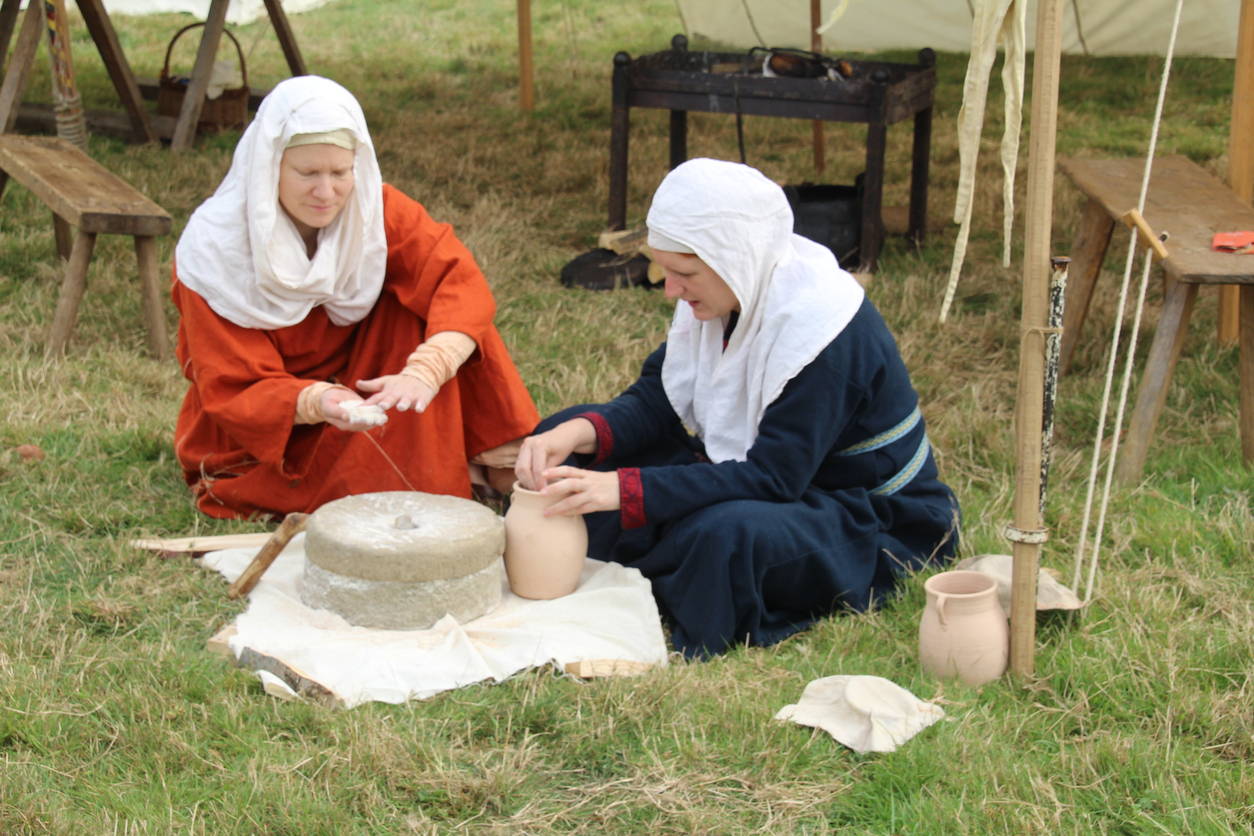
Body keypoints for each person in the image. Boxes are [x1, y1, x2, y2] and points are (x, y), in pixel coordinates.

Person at [515, 158, 960, 658]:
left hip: (864, 514)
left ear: (735, 258)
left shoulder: (824, 331)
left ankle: (666, 567)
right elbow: (657, 401)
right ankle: (660, 565)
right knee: (571, 451)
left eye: (684, 274)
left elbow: (773, 478)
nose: (670, 292)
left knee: (723, 536)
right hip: (759, 476)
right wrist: (576, 433)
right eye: (666, 271)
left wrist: (624, 491)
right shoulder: (729, 293)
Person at [172, 76, 539, 520]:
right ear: (268, 167)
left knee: (436, 314)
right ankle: (433, 466)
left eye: (340, 173)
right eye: (307, 173)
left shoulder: (374, 210)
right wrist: (318, 401)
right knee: (370, 503)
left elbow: (456, 282)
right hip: (275, 428)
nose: (326, 193)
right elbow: (233, 383)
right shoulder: (214, 252)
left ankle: (500, 464)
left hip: (368, 385)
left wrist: (427, 370)